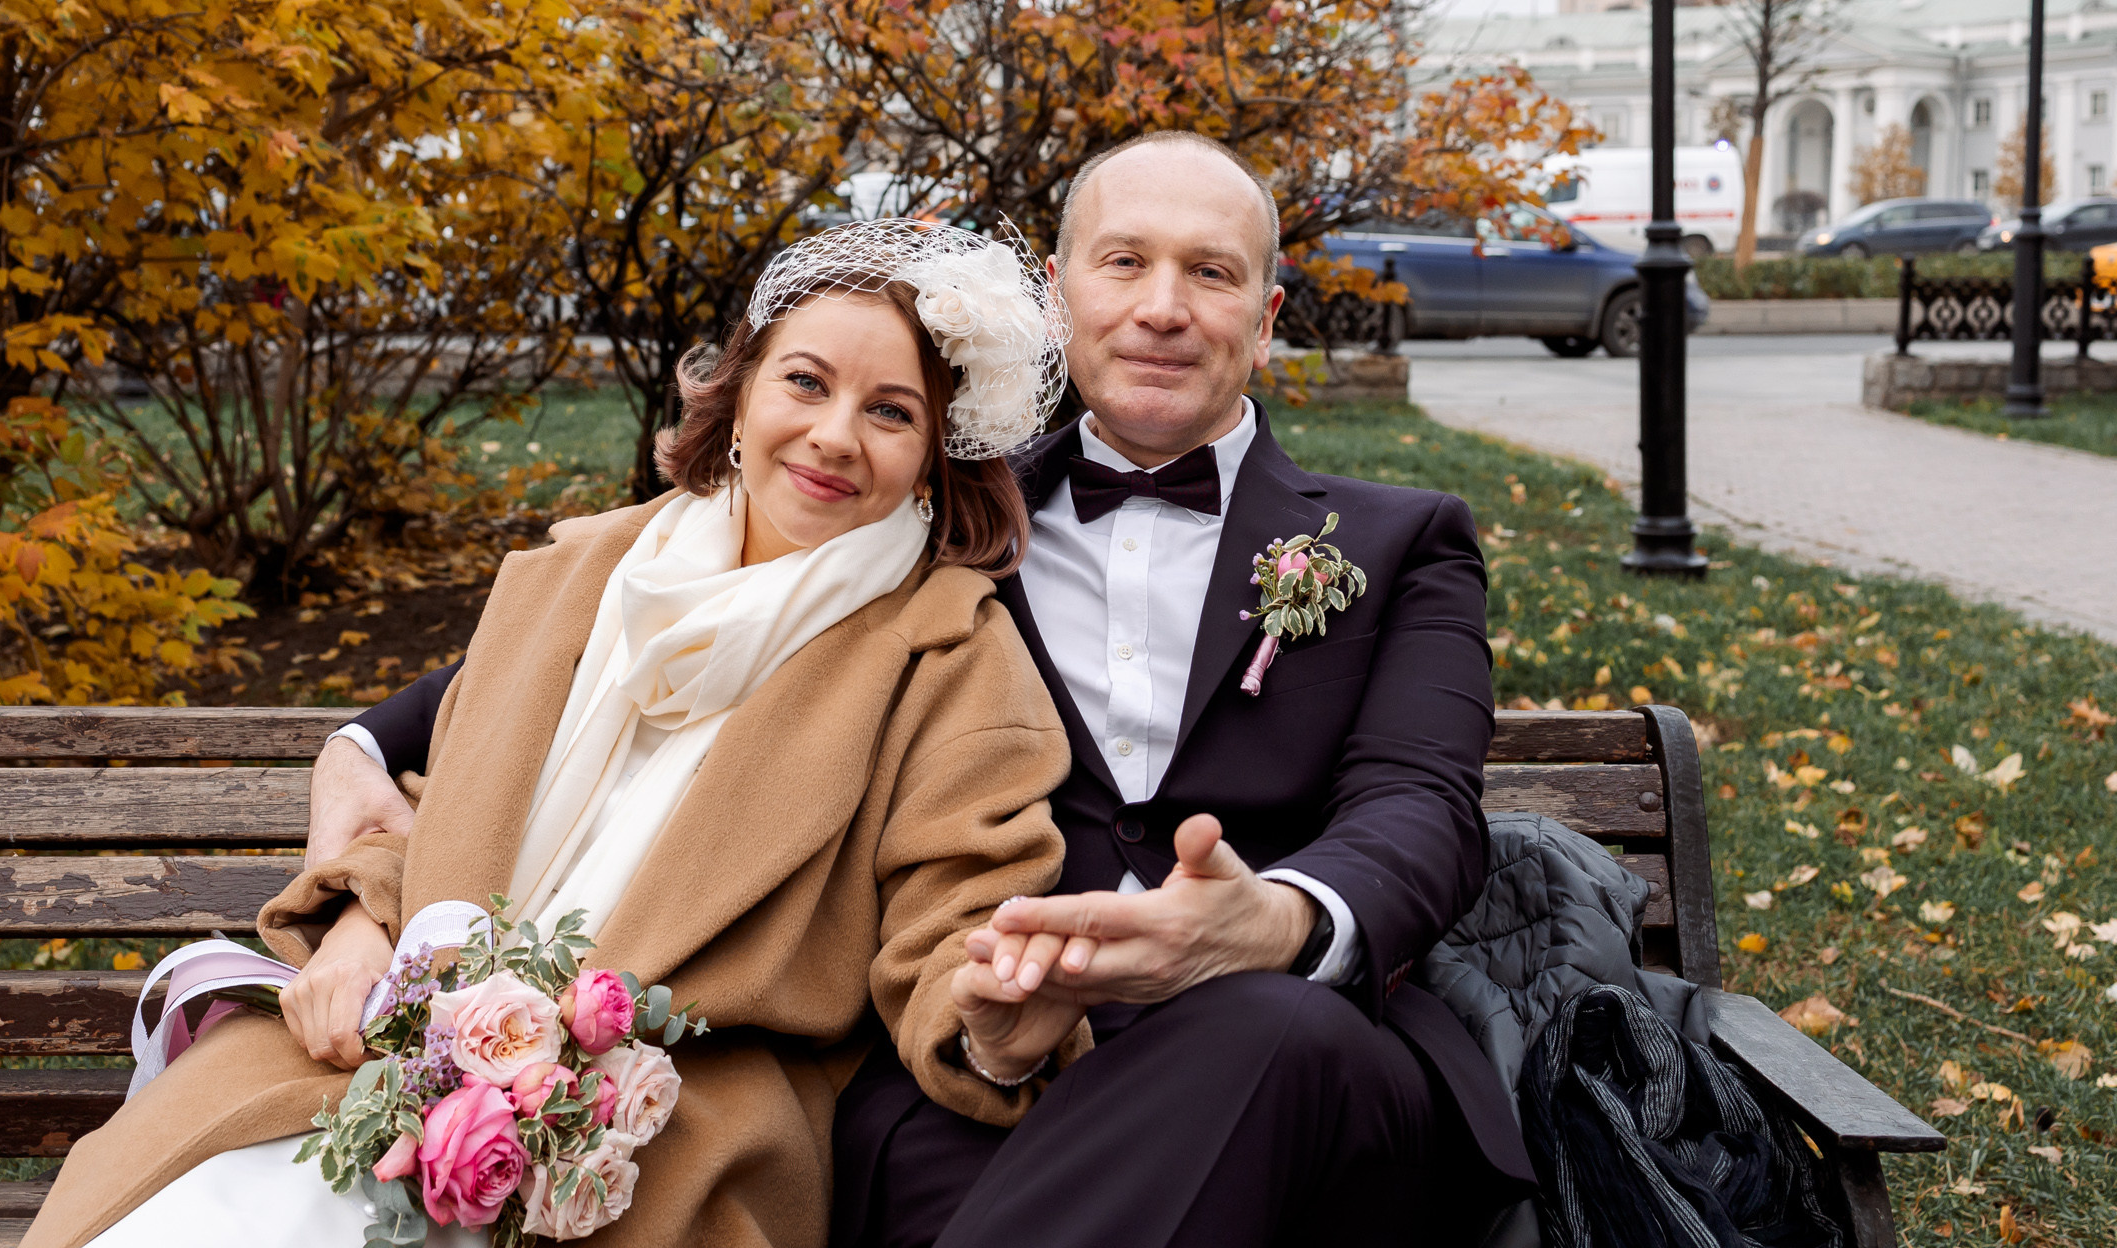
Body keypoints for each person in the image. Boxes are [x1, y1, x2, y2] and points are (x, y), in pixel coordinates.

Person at [314, 132, 1537, 1248]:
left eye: (1211, 275)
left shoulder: (1398, 538)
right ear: (1062, 297)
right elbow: (546, 661)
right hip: (977, 1068)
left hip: (1307, 1053)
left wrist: (1272, 923)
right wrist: (356, 757)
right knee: (922, 1172)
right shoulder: (926, 516)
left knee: (1267, 1035)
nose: (1164, 308)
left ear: (1264, 319)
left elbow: (1423, 805)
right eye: (1124, 262)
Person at [22, 221, 1083, 1248]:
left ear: (938, 452)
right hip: (401, 1043)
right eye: (806, 381)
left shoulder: (950, 656)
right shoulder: (576, 576)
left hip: (660, 1113)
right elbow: (453, 803)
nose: (835, 434)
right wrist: (363, 921)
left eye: (891, 412)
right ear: (744, 384)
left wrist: (991, 1016)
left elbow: (961, 910)